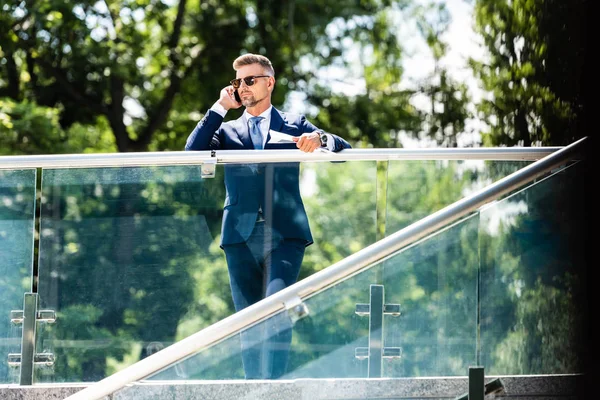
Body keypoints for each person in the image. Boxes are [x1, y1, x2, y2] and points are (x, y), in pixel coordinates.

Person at [185, 53, 351, 379]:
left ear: (269, 82)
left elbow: (343, 151)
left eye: (249, 80)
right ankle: (253, 389)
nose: (243, 87)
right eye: (237, 82)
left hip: (285, 233)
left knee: (276, 308)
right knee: (246, 318)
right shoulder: (228, 131)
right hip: (239, 234)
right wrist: (220, 107)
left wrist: (321, 139)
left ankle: (274, 388)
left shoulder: (294, 124)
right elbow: (192, 152)